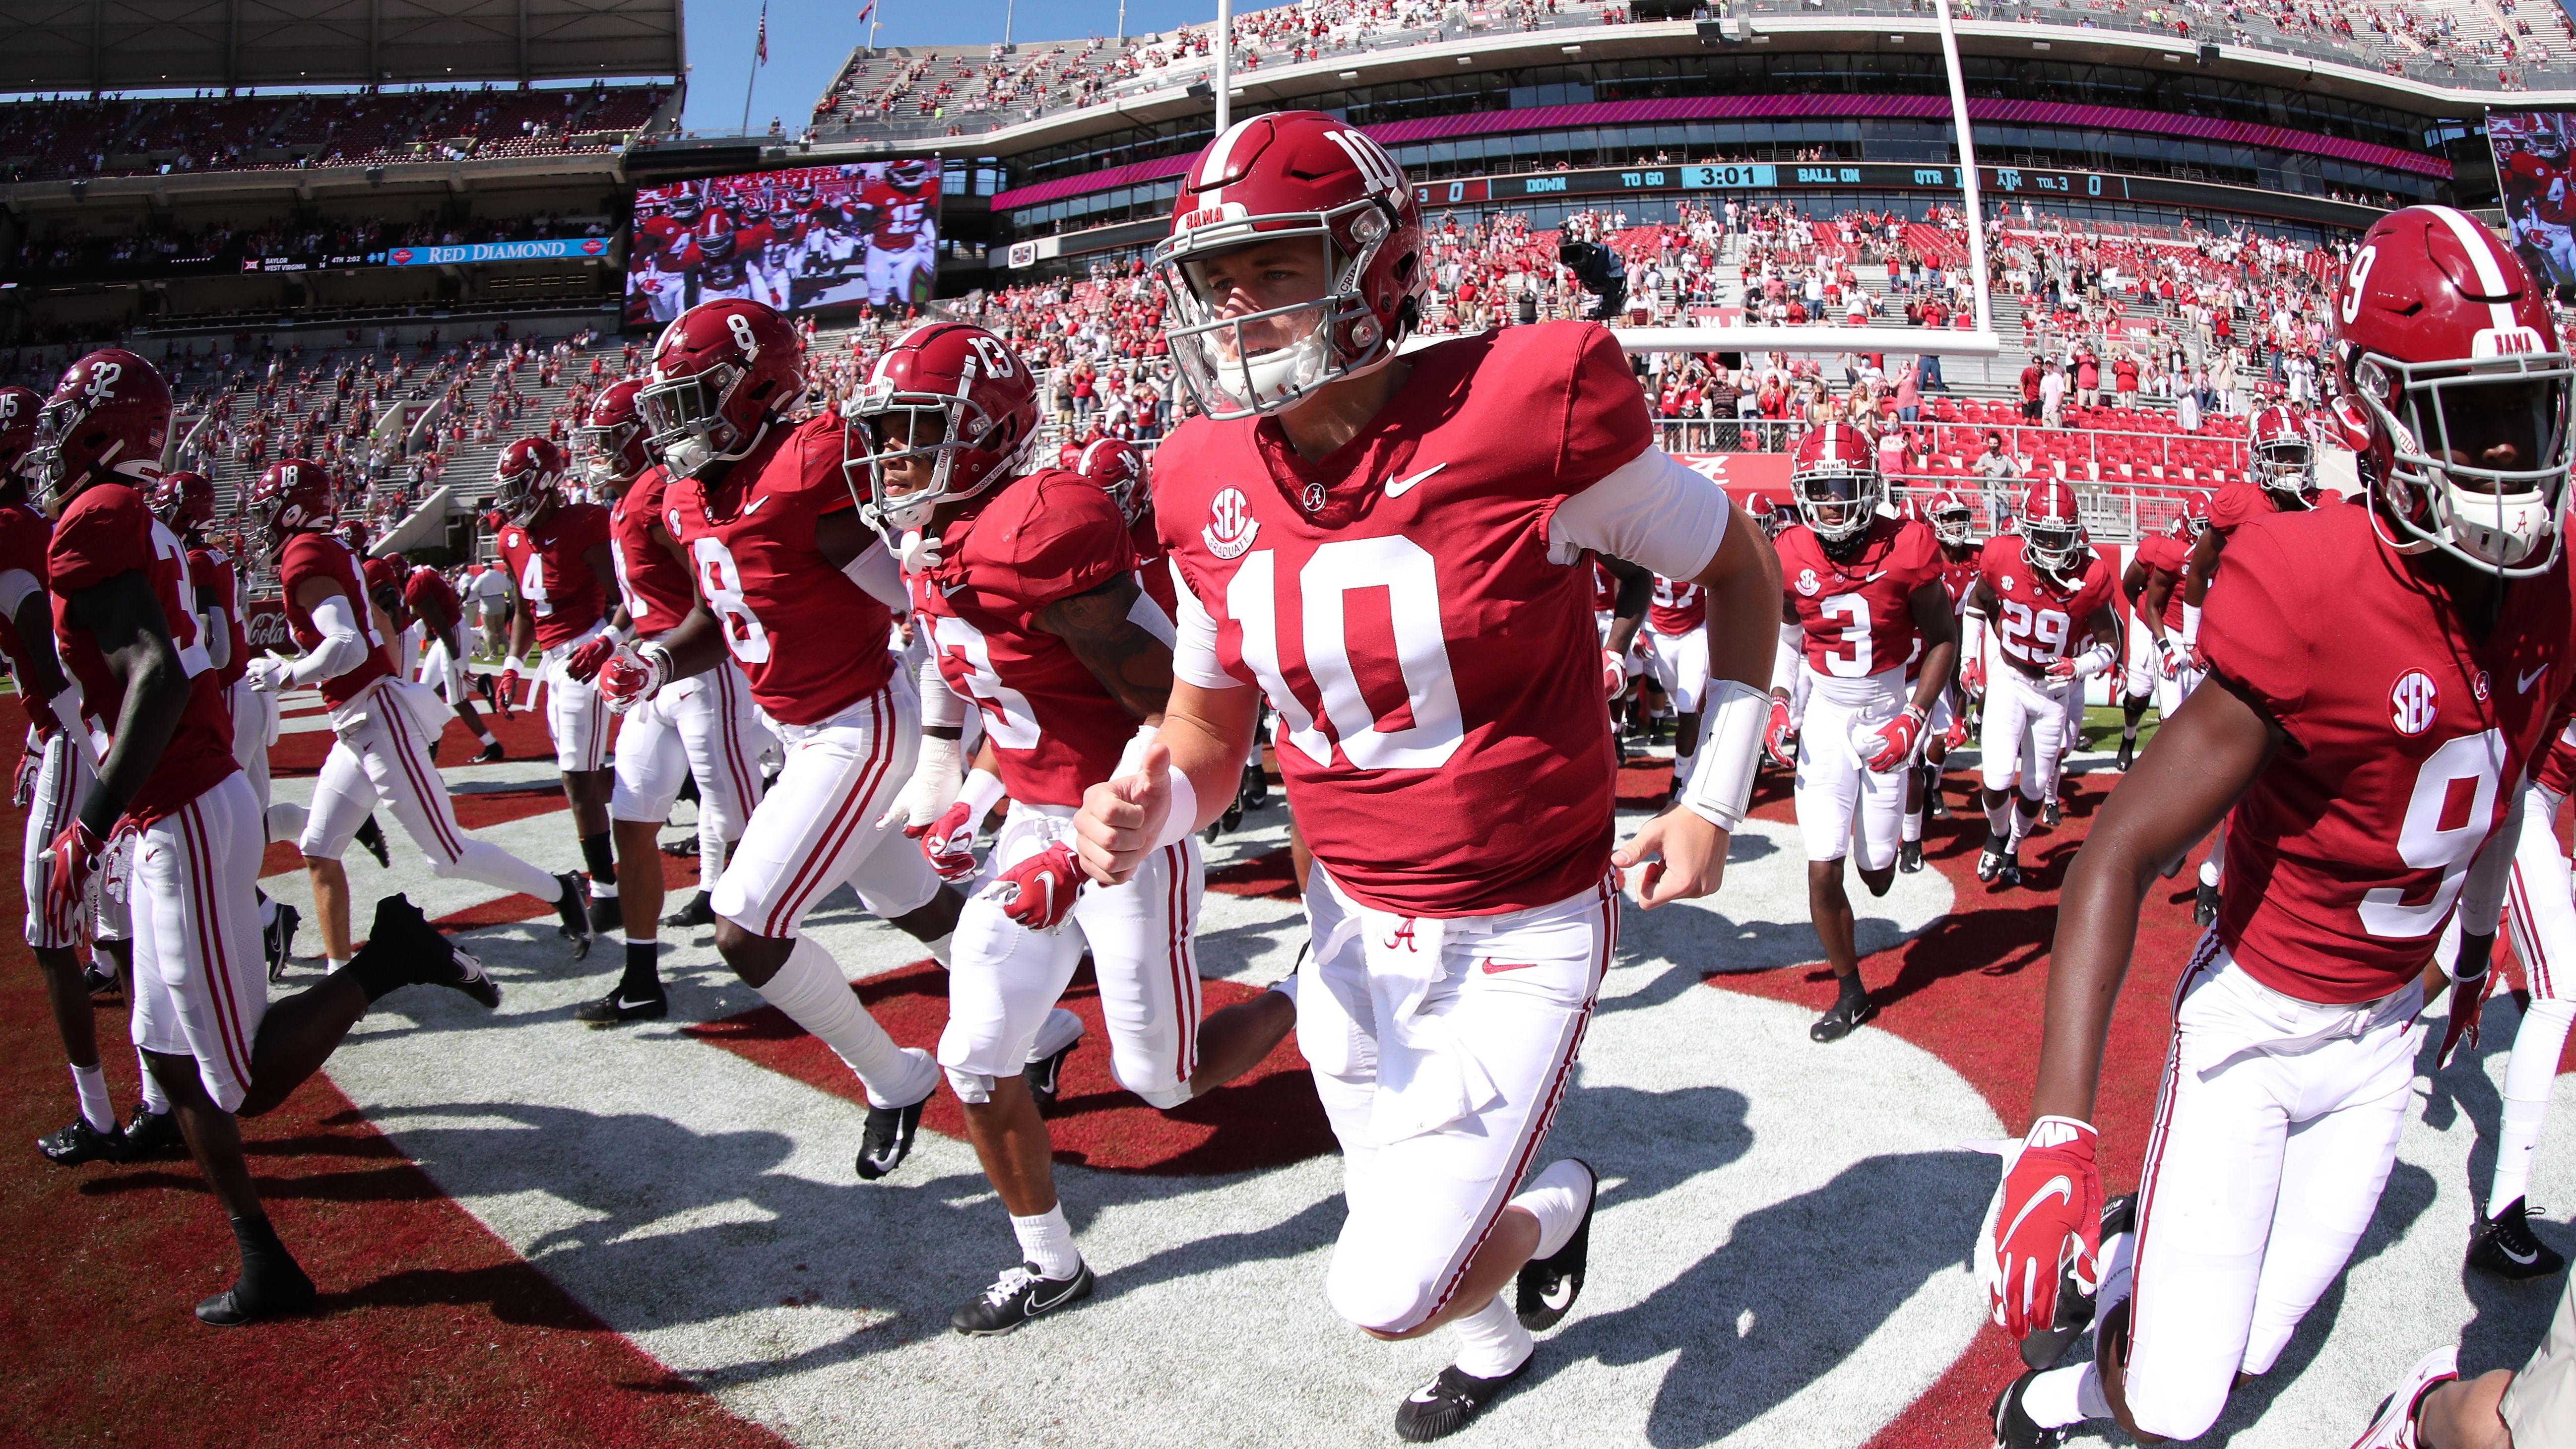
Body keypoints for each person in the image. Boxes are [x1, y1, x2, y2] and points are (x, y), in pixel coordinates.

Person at [1068, 111, 1779, 1442]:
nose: (1234, 303)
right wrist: (1145, 806)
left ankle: (1559, 1194)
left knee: (1388, 1285)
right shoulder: (1197, 471)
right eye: (1212, 274)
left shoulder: (1528, 406)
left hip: (1518, 922)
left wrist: (1712, 797)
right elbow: (1210, 741)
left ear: (1372, 264)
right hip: (1340, 922)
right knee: (1395, 1199)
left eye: (1272, 264)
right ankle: (1504, 1351)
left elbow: (1741, 570)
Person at [1980, 204, 2576, 1449]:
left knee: (2246, 1347)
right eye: (2471, 418)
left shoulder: (2553, 589)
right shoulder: (2308, 583)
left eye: (2526, 407)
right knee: (2181, 1400)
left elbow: (2500, 781)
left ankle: (2154, 1280)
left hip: (2380, 1037)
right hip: (2254, 1023)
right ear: (2378, 410)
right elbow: (2119, 847)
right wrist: (2054, 1128)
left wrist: (2471, 951)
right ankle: (2056, 1394)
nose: (2512, 453)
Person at [26, 349, 502, 1324]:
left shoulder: (95, 519)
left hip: (188, 803)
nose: (49, 434)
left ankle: (390, 956)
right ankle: (264, 1255)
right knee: (163, 1056)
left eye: (69, 414)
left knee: (233, 1075)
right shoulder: (127, 515)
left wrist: (88, 818)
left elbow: (155, 674)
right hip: (180, 801)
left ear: (107, 425)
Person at [852, 320, 1299, 1333]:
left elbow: (1178, 711)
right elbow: (1009, 705)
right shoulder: (936, 538)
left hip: (1132, 821)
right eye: (883, 437)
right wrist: (973, 798)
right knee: (972, 1054)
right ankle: (1050, 1261)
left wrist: (1078, 843)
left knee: (1164, 1078)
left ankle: (1313, 984)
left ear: (984, 436)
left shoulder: (1036, 529)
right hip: (1036, 825)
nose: (890, 462)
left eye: (914, 436)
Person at [599, 297, 967, 1182]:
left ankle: (895, 1076)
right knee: (902, 894)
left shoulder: (808, 464)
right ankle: (1046, 1017)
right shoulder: (687, 494)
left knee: (746, 928)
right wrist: (653, 662)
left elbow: (899, 593)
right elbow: (713, 615)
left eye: (695, 399)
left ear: (758, 389)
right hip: (796, 727)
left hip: (860, 722)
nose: (676, 425)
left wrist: (932, 601)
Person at [244, 458, 592, 970]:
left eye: (268, 511)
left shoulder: (305, 553)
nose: (261, 523)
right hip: (356, 723)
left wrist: (286, 674)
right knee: (318, 848)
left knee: (446, 855)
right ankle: (342, 978)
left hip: (375, 720)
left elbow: (346, 645)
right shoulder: (323, 547)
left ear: (293, 511)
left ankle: (560, 890)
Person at [566, 376, 767, 1021]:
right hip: (651, 675)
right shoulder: (631, 497)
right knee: (633, 820)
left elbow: (711, 596)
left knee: (746, 824)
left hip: (699, 672)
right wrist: (613, 637)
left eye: (610, 437)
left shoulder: (661, 493)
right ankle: (642, 974)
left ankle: (781, 954)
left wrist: (653, 650)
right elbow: (643, 601)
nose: (602, 451)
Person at [1766, 422, 1956, 1039]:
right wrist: (1778, 699)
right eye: (1818, 488)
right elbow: (1788, 634)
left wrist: (1914, 715)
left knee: (1875, 872)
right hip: (1824, 714)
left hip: (1885, 710)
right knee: (1823, 865)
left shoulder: (1908, 544)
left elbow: (1943, 640)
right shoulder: (1791, 548)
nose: (1828, 502)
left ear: (1868, 486)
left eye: (1841, 488)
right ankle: (1851, 992)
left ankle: (1888, 828)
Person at [0, 383, 135, 1165]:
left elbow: (49, 658)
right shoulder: (32, 525)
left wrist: (62, 735)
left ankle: (101, 1115)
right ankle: (152, 1099)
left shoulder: (13, 529)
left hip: (76, 733)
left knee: (52, 929)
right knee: (131, 908)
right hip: (79, 728)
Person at [2178, 402, 2323, 926]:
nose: (2287, 466)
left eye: (2294, 455)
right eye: (2277, 455)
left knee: (2266, 784)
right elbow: (2198, 570)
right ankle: (2182, 839)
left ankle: (2212, 877)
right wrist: (2191, 640)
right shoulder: (2239, 503)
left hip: (2299, 660)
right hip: (2239, 650)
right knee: (2220, 771)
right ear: (2257, 458)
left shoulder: (2323, 505)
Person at [1958, 478, 2120, 890]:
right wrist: (1970, 659)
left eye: (2059, 535)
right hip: (2010, 679)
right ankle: (1997, 836)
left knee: (2032, 788)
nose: (2050, 544)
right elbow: (1976, 606)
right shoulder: (2001, 555)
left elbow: (2110, 644)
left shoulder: (2092, 576)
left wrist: (2080, 667)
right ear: (2026, 529)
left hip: (2053, 694)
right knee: (1995, 781)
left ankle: (2010, 847)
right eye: (2042, 533)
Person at [491, 438, 623, 940]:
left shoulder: (583, 523)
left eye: (518, 487)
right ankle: (681, 784)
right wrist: (510, 664)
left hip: (587, 648)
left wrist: (606, 641)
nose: (510, 499)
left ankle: (606, 891)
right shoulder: (510, 538)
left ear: (546, 482)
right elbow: (525, 611)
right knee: (581, 773)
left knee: (576, 775)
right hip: (552, 660)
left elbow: (624, 595)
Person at [402, 555, 502, 762]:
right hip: (450, 633)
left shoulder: (416, 586)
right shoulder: (421, 572)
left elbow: (442, 626)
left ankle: (492, 746)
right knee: (426, 691)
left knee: (456, 698)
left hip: (450, 636)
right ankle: (479, 685)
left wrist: (458, 662)